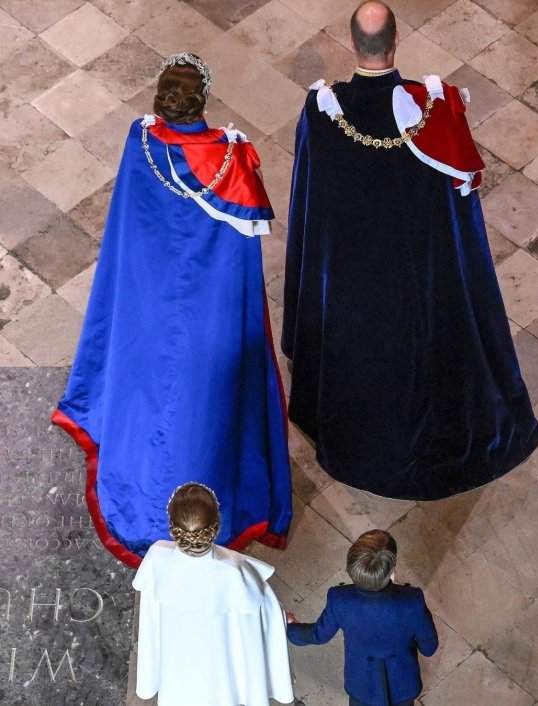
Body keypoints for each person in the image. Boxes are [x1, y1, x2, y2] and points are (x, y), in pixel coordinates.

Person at [281, 1, 538, 500]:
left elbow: (309, 201)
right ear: (395, 42)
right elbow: (461, 210)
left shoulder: (322, 114)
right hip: (427, 278)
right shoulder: (436, 109)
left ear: (353, 44)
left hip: (356, 280)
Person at [52, 53, 292, 568]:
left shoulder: (140, 144)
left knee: (147, 391)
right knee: (207, 400)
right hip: (210, 312)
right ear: (200, 101)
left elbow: (130, 225)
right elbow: (241, 261)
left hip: (149, 297)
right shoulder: (233, 160)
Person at [133, 482, 296, 705]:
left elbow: (152, 622)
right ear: (216, 526)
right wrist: (283, 619)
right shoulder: (234, 570)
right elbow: (261, 618)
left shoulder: (156, 559)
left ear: (173, 528)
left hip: (178, 666)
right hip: (222, 670)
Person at [287, 529, 438, 706]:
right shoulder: (413, 601)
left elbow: (318, 635)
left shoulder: (339, 599)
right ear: (391, 570)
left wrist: (289, 628)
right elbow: (429, 648)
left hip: (361, 685)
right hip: (402, 687)